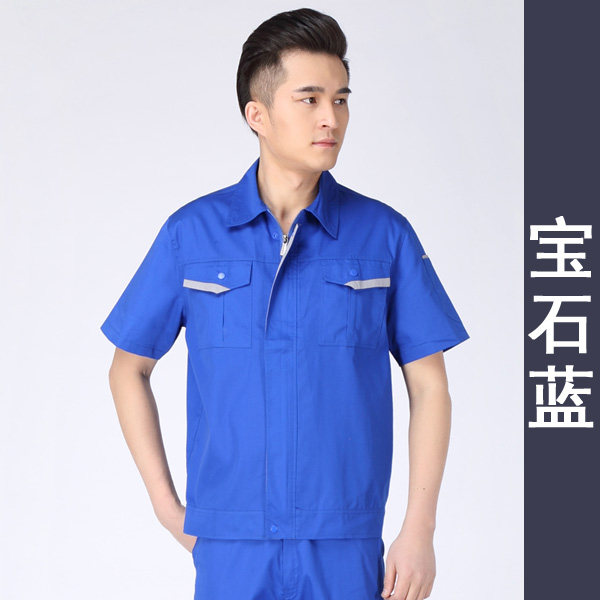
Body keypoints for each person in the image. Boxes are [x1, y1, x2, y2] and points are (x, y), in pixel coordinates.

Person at [100, 7, 470, 600]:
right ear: (258, 115)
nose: (331, 118)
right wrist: (169, 510)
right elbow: (128, 366)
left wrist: (418, 530)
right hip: (231, 543)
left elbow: (429, 386)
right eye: (310, 99)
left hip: (345, 541)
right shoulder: (192, 235)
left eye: (341, 100)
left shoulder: (384, 235)